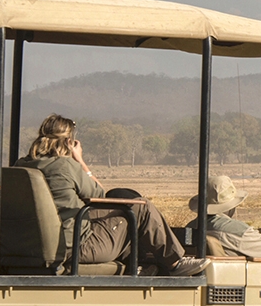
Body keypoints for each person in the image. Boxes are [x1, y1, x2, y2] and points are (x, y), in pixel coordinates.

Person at [13, 114, 209, 276]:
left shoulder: (22, 165)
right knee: (140, 207)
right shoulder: (66, 166)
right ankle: (174, 263)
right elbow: (100, 194)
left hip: (34, 243)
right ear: (68, 141)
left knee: (120, 213)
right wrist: (80, 160)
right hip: (75, 247)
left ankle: (139, 263)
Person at [187, 176, 261, 258]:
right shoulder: (236, 230)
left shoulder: (192, 227)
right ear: (231, 206)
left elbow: (232, 242)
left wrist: (260, 232)